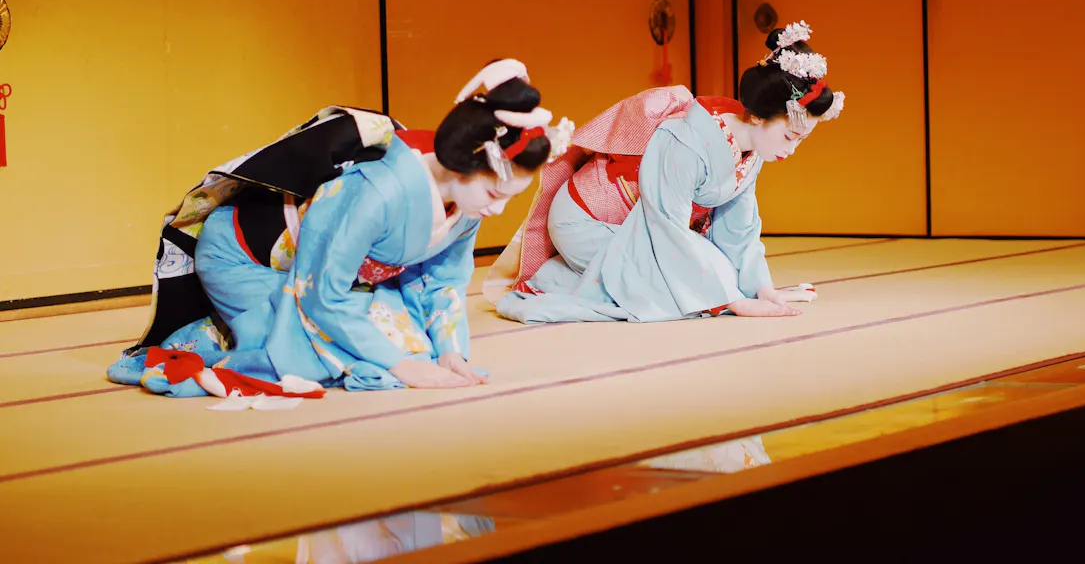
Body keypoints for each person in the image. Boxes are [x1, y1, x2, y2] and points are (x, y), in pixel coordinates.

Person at [108, 60, 572, 398]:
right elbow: (320, 295)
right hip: (248, 260)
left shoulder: (469, 201)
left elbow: (444, 279)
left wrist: (451, 352)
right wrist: (405, 367)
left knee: (418, 350)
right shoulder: (376, 189)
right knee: (310, 360)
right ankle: (214, 336)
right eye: (496, 195)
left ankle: (255, 332)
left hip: (336, 275)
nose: (497, 211)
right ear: (464, 163)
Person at [486, 21, 844, 323]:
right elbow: (666, 226)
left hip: (640, 226)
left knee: (705, 271)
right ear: (758, 117)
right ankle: (554, 278)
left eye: (800, 140)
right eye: (789, 135)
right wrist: (734, 302)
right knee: (665, 293)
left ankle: (708, 286)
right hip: (586, 221)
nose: (790, 149)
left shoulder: (752, 149)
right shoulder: (685, 139)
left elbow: (740, 227)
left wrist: (761, 289)